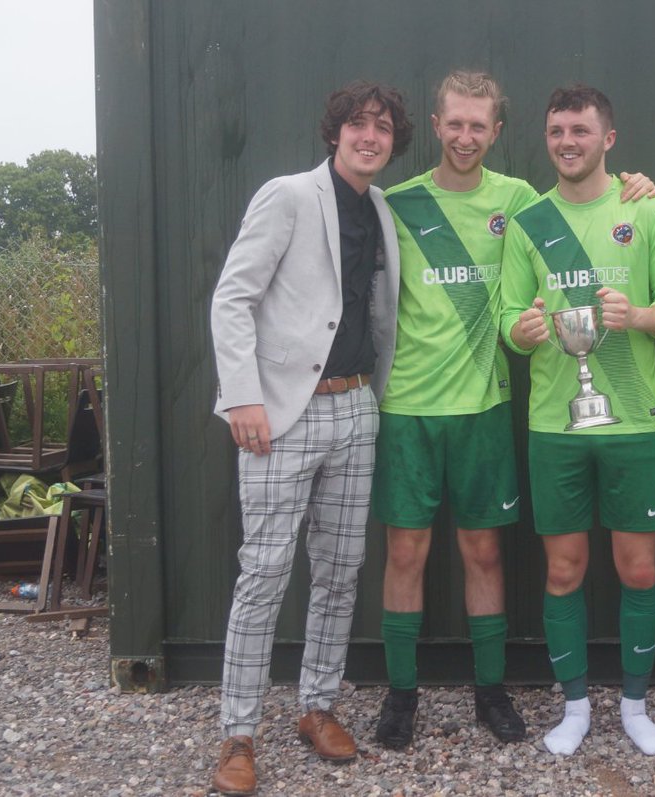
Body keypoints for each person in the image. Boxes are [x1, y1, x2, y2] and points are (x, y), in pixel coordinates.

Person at [371, 70, 655, 749]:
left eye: (480, 125)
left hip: (486, 406)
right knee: (404, 551)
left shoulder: (524, 201)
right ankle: (401, 696)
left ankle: (491, 691)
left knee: (483, 552)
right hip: (408, 407)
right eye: (455, 123)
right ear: (437, 126)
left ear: (497, 132)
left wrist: (640, 186)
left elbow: (594, 199)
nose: (466, 136)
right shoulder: (396, 204)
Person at [208, 81, 412, 796]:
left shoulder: (382, 208)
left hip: (356, 409)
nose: (370, 136)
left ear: (393, 141)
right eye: (357, 124)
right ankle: (238, 732)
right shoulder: (288, 195)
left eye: (382, 127)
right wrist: (242, 397)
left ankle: (316, 705)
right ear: (335, 133)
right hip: (280, 415)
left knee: (340, 568)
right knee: (265, 572)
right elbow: (234, 295)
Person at [500, 84, 655, 756]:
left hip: (635, 421)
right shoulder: (530, 220)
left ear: (608, 138)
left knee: (638, 568)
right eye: (556, 132)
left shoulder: (648, 208)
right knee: (563, 569)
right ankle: (575, 705)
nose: (567, 143)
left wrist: (637, 316)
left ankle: (634, 705)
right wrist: (522, 331)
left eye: (580, 131)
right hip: (556, 422)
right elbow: (506, 316)